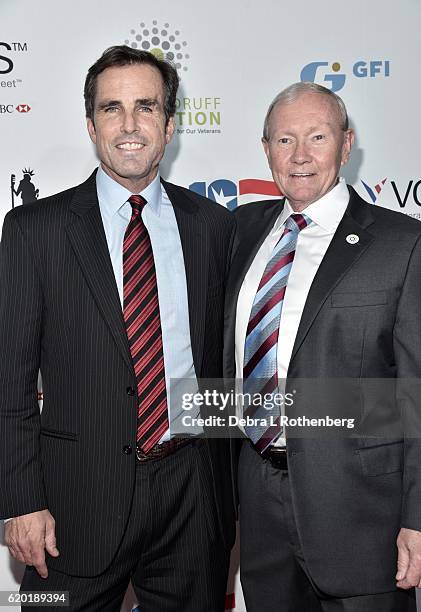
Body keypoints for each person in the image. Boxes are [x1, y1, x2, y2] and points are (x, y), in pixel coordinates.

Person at [0, 45, 236, 611]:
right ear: (90, 124)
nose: (130, 125)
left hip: (190, 496)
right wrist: (18, 500)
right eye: (112, 109)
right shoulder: (35, 229)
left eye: (147, 107)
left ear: (171, 124)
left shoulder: (212, 226)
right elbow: (9, 378)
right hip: (71, 501)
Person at [223, 81, 421, 611]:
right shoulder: (240, 230)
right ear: (266, 149)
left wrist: (418, 518)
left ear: (346, 143)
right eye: (285, 140)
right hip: (258, 505)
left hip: (363, 516)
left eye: (317, 136)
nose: (301, 156)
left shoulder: (402, 244)